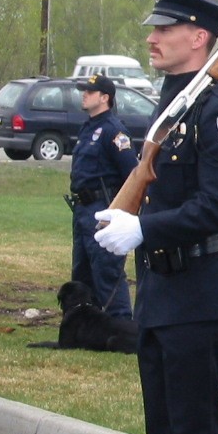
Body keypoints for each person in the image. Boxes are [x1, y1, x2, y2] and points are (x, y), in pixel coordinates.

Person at [94, 0, 218, 434]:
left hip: (201, 290)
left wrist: (143, 229)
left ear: (200, 37)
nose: (153, 38)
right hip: (161, 291)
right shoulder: (171, 101)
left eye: (165, 29)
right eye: (153, 29)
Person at [68, 74, 138, 318]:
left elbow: (132, 174)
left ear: (105, 97)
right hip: (82, 208)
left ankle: (119, 321)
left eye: (90, 91)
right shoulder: (89, 127)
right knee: (82, 269)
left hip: (103, 206)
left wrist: (119, 210)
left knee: (106, 268)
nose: (84, 95)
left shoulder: (114, 131)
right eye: (84, 90)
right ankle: (85, 321)